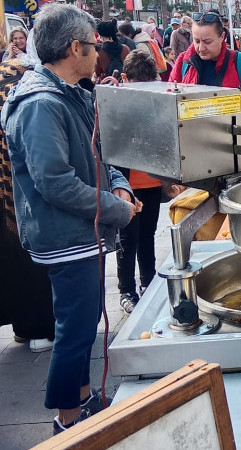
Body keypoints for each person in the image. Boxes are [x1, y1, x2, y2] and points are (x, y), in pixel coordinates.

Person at [2, 4, 140, 434]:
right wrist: (116, 208)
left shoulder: (71, 92)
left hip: (85, 230)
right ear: (74, 47)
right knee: (76, 331)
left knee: (80, 326)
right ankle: (67, 421)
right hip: (65, 237)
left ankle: (81, 398)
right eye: (94, 44)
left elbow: (100, 152)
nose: (101, 52)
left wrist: (120, 185)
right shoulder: (41, 103)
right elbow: (54, 182)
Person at [0, 43, 56, 354]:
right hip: (19, 192)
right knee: (31, 262)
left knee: (11, 265)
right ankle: (40, 329)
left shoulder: (8, 81)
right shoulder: (26, 91)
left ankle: (22, 328)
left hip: (5, 194)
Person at [113, 50, 163, 314]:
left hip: (151, 182)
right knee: (128, 238)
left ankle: (150, 282)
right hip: (126, 185)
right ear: (124, 79)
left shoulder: (157, 101)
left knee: (148, 235)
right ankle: (126, 290)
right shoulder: (115, 103)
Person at [168, 11, 241, 108]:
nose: (201, 48)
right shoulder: (183, 61)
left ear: (222, 37)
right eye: (196, 41)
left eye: (207, 42)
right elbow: (170, 104)